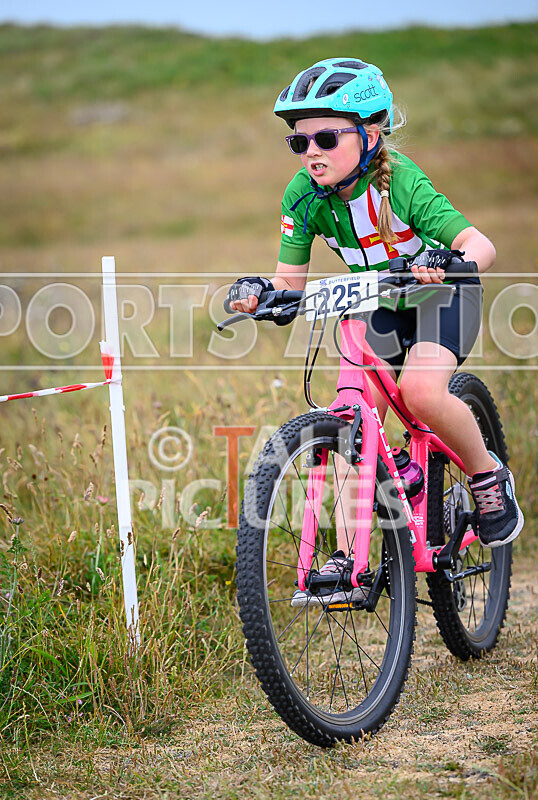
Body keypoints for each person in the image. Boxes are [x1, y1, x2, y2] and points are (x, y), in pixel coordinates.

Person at [226, 58, 523, 589]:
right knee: (351, 420)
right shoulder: (301, 195)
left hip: (441, 296)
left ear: (371, 132)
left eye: (325, 138)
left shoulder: (401, 182)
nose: (311, 152)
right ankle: (347, 554)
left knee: (422, 392)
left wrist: (452, 262)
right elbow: (288, 284)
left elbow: (482, 245)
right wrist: (262, 295)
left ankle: (486, 475)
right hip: (376, 304)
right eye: (299, 143)